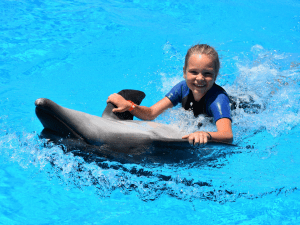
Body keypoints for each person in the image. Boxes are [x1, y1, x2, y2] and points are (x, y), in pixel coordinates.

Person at [107, 44, 233, 146]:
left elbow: (227, 134)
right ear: (184, 72)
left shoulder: (219, 100)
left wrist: (206, 134)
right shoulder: (182, 88)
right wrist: (129, 106)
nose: (200, 78)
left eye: (207, 74)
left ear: (216, 75)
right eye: (194, 72)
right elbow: (151, 113)